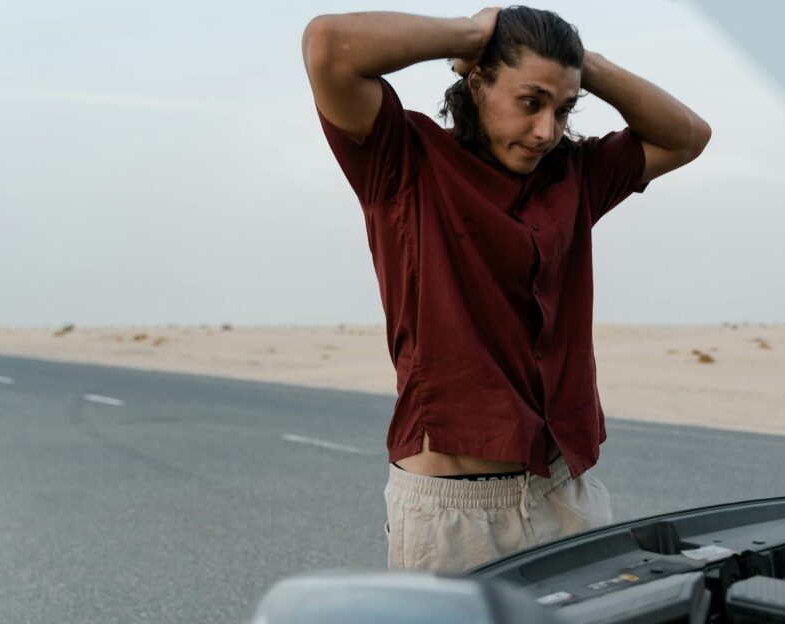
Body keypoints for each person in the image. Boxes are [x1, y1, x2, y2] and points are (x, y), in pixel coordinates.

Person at [301, 6, 710, 571]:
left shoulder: (576, 175)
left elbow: (688, 136)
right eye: (530, 101)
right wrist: (476, 34)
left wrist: (580, 63)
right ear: (477, 81)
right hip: (455, 518)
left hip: (566, 495)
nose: (547, 130)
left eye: (564, 109)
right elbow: (330, 45)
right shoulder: (403, 163)